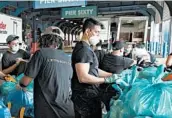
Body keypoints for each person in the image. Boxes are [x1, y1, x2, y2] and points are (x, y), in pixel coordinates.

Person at [71, 18, 123, 118]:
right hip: (84, 99)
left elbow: (93, 70)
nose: (98, 36)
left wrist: (112, 75)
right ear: (87, 31)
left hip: (90, 96)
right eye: (96, 32)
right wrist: (105, 80)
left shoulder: (87, 49)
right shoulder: (83, 50)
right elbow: (83, 77)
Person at [18, 26, 75, 118]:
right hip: (68, 110)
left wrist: (20, 85)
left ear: (43, 39)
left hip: (48, 110)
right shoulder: (67, 58)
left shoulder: (40, 53)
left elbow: (25, 82)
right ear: (60, 43)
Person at [99, 41, 135, 111]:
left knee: (106, 109)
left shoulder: (105, 57)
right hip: (114, 91)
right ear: (121, 50)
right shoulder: (123, 60)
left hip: (102, 88)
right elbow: (133, 62)